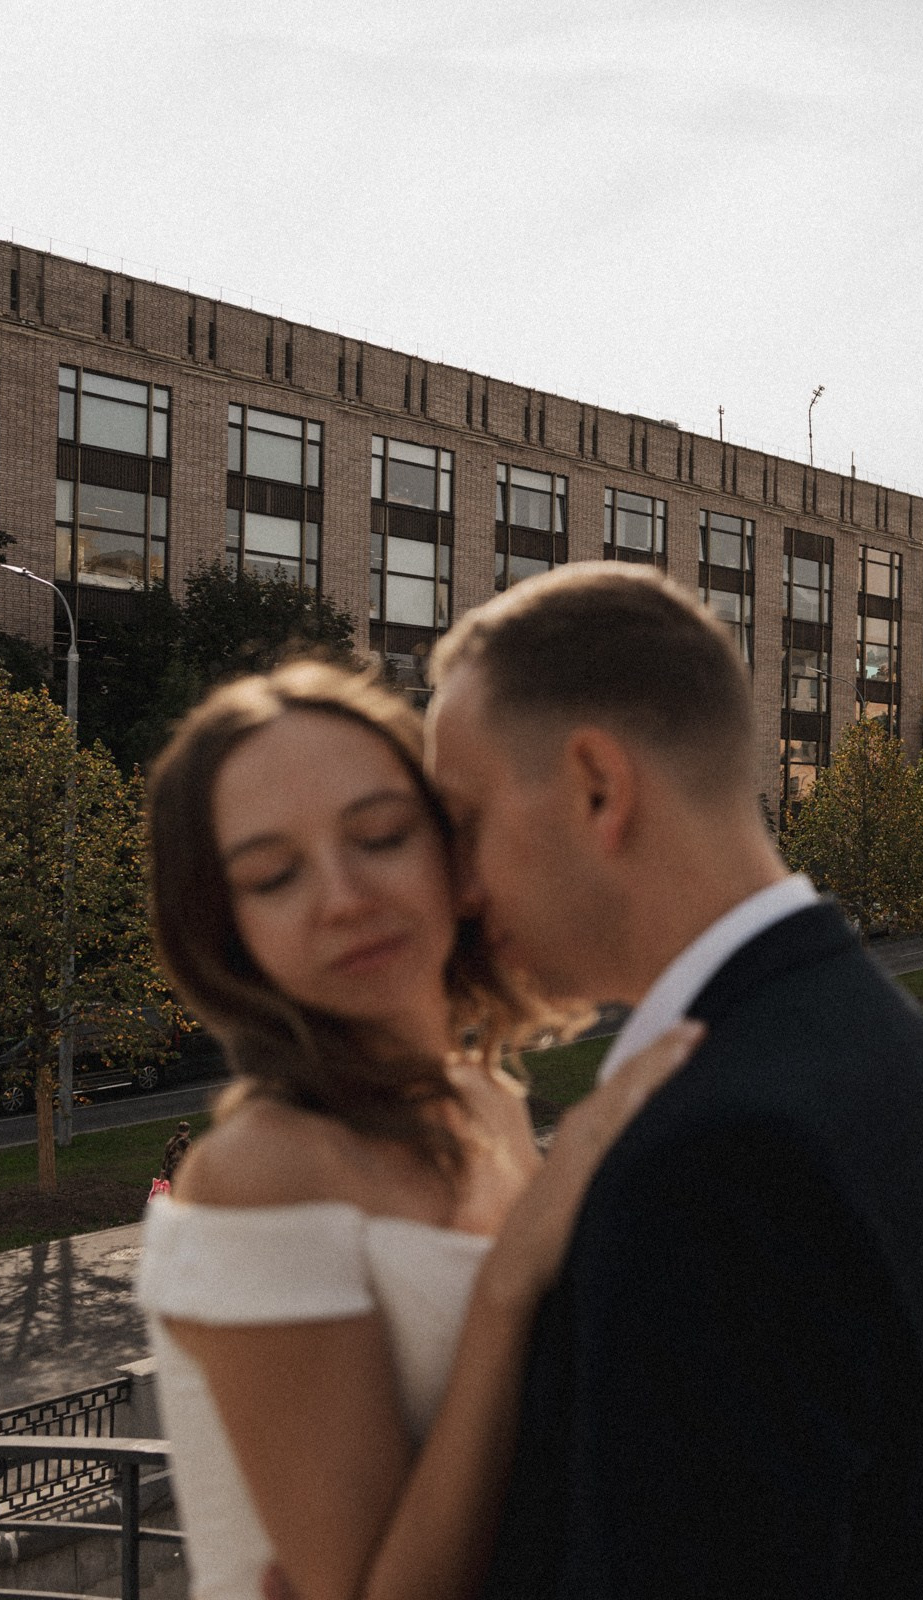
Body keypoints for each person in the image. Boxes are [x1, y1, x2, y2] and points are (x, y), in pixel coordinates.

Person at [423, 565, 923, 1598]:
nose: (458, 888)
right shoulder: (874, 1038)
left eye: (466, 821)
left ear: (598, 787)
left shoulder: (712, 1156)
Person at [132, 661, 702, 1600]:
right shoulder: (262, 1174)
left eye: (382, 836)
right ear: (228, 932)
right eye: (273, 876)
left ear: (454, 854)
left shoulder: (491, 1106)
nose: (343, 896)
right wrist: (510, 1283)